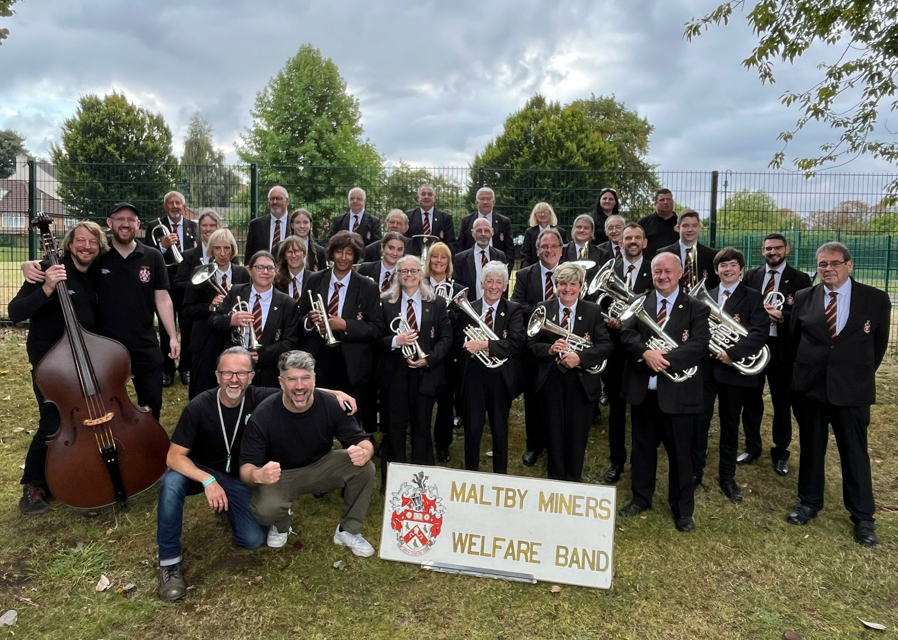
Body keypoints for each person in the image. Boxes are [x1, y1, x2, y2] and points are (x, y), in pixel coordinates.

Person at [157, 347, 358, 600]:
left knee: (252, 540)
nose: (234, 379)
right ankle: (169, 563)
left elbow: (296, 389)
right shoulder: (198, 407)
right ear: (217, 375)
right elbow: (174, 457)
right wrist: (208, 480)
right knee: (170, 484)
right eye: (227, 373)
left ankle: (229, 508)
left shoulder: (260, 398)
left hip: (238, 476)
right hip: (200, 471)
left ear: (251, 376)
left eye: (241, 373)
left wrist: (336, 394)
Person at [21, 203, 180, 420]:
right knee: (108, 408)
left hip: (144, 344)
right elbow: (69, 261)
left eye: (130, 220)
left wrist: (172, 336)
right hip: (104, 347)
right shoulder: (99, 255)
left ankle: (148, 440)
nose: (125, 224)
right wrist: (31, 264)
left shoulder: (152, 256)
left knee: (152, 405)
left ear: (138, 224)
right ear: (109, 223)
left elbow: (162, 298)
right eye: (120, 219)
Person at [786, 242, 890, 548]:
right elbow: (794, 340)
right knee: (811, 447)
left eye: (834, 263)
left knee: (854, 453)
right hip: (811, 388)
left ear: (849, 265)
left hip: (851, 389)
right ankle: (809, 503)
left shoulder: (875, 299)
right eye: (822, 264)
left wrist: (855, 374)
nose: (828, 269)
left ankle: (863, 517)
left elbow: (878, 346)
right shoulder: (804, 297)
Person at [9, 221, 106, 514]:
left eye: (92, 241)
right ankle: (34, 485)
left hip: (85, 361)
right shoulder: (46, 269)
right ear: (69, 244)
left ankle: (71, 473)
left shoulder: (97, 273)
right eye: (80, 241)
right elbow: (15, 312)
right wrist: (47, 287)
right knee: (53, 423)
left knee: (84, 422)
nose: (86, 246)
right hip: (51, 366)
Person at [240, 350, 376, 554]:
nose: (299, 386)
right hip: (281, 474)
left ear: (314, 379)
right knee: (265, 511)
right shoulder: (263, 414)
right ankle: (280, 523)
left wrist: (365, 451)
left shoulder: (331, 404)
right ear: (281, 382)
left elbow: (361, 440)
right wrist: (258, 475)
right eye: (292, 379)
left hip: (321, 464)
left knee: (365, 467)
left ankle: (349, 530)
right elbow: (246, 467)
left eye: (305, 378)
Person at [618, 252, 710, 533]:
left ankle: (682, 510)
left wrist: (664, 359)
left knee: (680, 454)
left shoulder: (696, 307)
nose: (662, 276)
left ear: (680, 273)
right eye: (657, 271)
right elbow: (626, 334)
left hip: (679, 393)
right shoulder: (639, 302)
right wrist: (645, 353)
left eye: (668, 271)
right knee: (642, 449)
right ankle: (641, 498)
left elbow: (699, 344)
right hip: (644, 391)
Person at [527, 263, 612, 482]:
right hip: (552, 379)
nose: (567, 289)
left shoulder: (592, 310)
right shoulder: (543, 308)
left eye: (573, 284)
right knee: (553, 432)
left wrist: (580, 357)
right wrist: (549, 349)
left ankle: (573, 480)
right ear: (556, 285)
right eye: (562, 284)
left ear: (581, 286)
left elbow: (605, 345)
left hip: (581, 382)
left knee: (577, 434)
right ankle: (556, 478)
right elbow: (530, 344)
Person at [740, 234, 812, 475]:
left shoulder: (801, 279)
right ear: (762, 250)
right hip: (756, 345)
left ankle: (781, 452)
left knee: (782, 402)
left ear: (787, 249)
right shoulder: (751, 276)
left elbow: (806, 314)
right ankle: (752, 447)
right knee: (751, 400)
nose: (772, 252)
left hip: (783, 348)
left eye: (777, 248)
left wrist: (783, 316)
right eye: (768, 248)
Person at [702, 248, 768, 504]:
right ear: (716, 270)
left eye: (732, 265)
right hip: (707, 370)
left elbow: (759, 333)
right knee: (700, 421)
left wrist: (732, 353)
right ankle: (696, 470)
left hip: (734, 371)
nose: (727, 269)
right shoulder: (707, 296)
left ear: (741, 269)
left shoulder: (753, 297)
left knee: (730, 425)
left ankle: (727, 476)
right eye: (723, 265)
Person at [297, 231, 384, 427]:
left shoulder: (367, 286)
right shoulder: (314, 279)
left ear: (356, 256)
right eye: (339, 252)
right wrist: (309, 321)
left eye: (349, 253)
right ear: (331, 253)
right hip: (319, 356)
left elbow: (376, 328)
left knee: (350, 416)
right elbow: (300, 317)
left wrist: (345, 325)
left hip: (351, 362)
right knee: (316, 412)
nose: (343, 258)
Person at [378, 255, 453, 477]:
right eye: (404, 271)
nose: (409, 275)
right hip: (396, 373)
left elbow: (446, 337)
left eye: (414, 271)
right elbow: (376, 337)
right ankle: (394, 479)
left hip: (425, 372)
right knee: (395, 426)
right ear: (397, 275)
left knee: (422, 426)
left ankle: (422, 479)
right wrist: (396, 340)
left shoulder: (436, 303)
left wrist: (429, 358)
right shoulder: (385, 303)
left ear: (421, 274)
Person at [456, 261, 524, 473]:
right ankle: (472, 473)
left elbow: (516, 343)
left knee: (500, 430)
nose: (494, 286)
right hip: (474, 377)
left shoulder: (513, 310)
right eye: (490, 281)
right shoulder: (469, 308)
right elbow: (459, 340)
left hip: (500, 378)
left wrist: (485, 345)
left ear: (505, 286)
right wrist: (468, 346)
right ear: (482, 283)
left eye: (499, 282)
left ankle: (500, 476)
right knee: (472, 429)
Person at [600, 223, 653, 484]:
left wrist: (630, 321)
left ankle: (642, 462)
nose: (632, 241)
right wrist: (609, 320)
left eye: (637, 238)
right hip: (616, 350)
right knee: (617, 408)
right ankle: (617, 460)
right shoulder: (610, 271)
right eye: (627, 238)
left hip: (644, 348)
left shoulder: (655, 270)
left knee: (643, 409)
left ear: (644, 242)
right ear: (620, 243)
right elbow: (601, 304)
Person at [512, 227, 564, 467]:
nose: (549, 250)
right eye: (544, 246)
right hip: (534, 346)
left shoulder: (571, 273)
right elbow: (517, 304)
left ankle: (558, 445)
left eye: (553, 246)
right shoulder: (525, 274)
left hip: (565, 346)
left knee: (560, 400)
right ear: (537, 250)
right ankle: (534, 445)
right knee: (533, 399)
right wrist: (544, 314)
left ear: (561, 250)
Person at [209, 251, 298, 388]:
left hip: (269, 372)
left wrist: (263, 355)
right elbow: (212, 323)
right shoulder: (235, 292)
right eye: (260, 267)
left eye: (270, 268)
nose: (265, 272)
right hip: (235, 368)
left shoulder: (287, 303)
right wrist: (230, 320)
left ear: (275, 272)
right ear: (249, 271)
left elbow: (290, 342)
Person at [182, 229, 250, 399]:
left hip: (232, 338)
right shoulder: (199, 272)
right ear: (211, 249)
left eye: (227, 248)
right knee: (203, 387)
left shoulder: (242, 273)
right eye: (218, 248)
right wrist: (210, 307)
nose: (222, 253)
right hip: (205, 339)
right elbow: (187, 309)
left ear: (233, 249)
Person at [144, 191, 198, 387]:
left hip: (187, 283)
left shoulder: (194, 227)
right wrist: (163, 245)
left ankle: (186, 367)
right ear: (165, 206)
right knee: (166, 328)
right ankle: (167, 368)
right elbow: (148, 254)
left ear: (184, 207)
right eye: (171, 203)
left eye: (178, 203)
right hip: (164, 283)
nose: (175, 206)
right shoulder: (154, 226)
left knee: (188, 326)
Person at [425, 241, 465, 462]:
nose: (438, 261)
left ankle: (442, 444)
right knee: (422, 400)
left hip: (449, 356)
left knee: (446, 402)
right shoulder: (419, 285)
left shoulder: (458, 289)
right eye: (434, 256)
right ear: (428, 260)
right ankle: (420, 441)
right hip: (424, 351)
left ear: (449, 262)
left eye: (443, 257)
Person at [657, 208, 719, 292]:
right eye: (685, 226)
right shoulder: (664, 254)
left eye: (694, 226)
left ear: (699, 228)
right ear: (677, 228)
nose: (690, 229)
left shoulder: (712, 255)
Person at [457, 187, 515, 265]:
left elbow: (510, 249)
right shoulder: (466, 221)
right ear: (476, 202)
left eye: (488, 199)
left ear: (494, 202)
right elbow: (460, 246)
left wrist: (506, 269)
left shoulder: (504, 222)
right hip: (472, 266)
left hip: (497, 266)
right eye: (482, 199)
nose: (485, 202)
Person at [453, 218, 508, 298]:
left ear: (492, 232)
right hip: (469, 304)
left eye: (486, 230)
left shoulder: (500, 256)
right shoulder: (460, 259)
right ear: (472, 233)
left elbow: (504, 286)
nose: (483, 234)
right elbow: (458, 290)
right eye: (479, 231)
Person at [405, 184, 457, 255]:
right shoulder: (408, 216)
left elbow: (451, 243)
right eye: (423, 194)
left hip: (437, 258)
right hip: (413, 258)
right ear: (418, 197)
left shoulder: (445, 218)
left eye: (430, 194)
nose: (426, 197)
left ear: (435, 198)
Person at [244, 186, 291, 264]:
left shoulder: (296, 224)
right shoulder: (255, 225)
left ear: (287, 201)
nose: (275, 202)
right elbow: (249, 257)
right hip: (262, 270)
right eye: (271, 199)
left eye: (278, 198)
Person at [519, 202, 570, 269]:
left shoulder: (561, 232)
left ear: (550, 214)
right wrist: (526, 270)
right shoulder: (529, 232)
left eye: (546, 212)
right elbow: (526, 255)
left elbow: (565, 253)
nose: (542, 214)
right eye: (539, 212)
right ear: (535, 215)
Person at [638, 188, 679, 259]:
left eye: (668, 199)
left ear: (672, 202)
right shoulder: (644, 222)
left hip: (674, 263)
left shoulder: (680, 223)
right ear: (655, 204)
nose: (666, 202)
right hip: (650, 263)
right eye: (662, 200)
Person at [286, 208, 327, 272]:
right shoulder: (281, 247)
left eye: (305, 222)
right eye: (298, 222)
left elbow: (323, 276)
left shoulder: (320, 252)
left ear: (310, 225)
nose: (302, 226)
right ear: (292, 225)